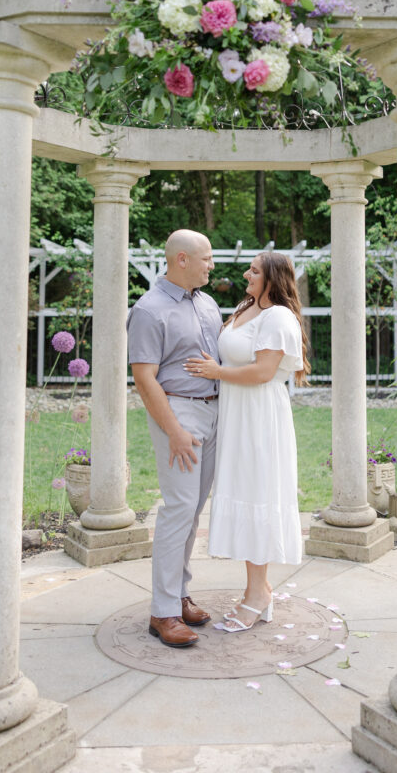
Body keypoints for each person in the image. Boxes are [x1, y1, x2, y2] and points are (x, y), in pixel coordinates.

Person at [184, 251, 309, 632]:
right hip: (237, 416)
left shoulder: (278, 317)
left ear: (272, 277)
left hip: (260, 418)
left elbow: (264, 371)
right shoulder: (246, 308)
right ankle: (259, 589)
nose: (246, 274)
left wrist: (216, 371)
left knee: (258, 496)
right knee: (244, 493)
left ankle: (258, 596)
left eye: (254, 271)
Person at [127, 229, 223, 648]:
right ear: (181, 259)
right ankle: (162, 612)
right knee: (178, 509)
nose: (211, 265)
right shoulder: (149, 310)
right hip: (178, 413)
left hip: (214, 411)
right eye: (205, 258)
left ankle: (179, 594)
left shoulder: (208, 304)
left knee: (193, 509)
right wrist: (175, 431)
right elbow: (143, 378)